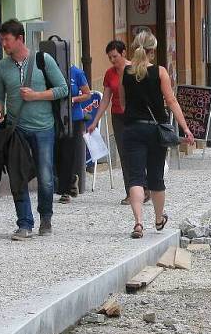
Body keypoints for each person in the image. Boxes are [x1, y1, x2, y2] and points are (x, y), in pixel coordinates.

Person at [0, 19, 68, 241]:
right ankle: (24, 223)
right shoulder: (2, 67)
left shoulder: (43, 60)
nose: (3, 44)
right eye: (2, 39)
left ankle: (46, 217)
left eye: (6, 39)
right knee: (18, 176)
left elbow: (63, 89)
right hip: (16, 129)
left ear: (20, 39)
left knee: (45, 177)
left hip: (44, 128)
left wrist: (36, 96)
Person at [119, 31, 194, 239]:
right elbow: (171, 101)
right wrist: (185, 128)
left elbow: (122, 102)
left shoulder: (125, 72)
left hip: (132, 129)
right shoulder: (160, 72)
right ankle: (159, 219)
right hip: (154, 130)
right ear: (153, 50)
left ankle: (138, 223)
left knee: (135, 178)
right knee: (155, 177)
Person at [88, 40, 150, 205]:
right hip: (119, 117)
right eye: (110, 57)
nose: (112, 60)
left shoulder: (136, 69)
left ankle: (144, 186)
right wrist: (95, 120)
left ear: (123, 53)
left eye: (115, 56)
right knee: (124, 154)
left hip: (136, 116)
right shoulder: (110, 73)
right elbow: (106, 98)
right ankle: (131, 192)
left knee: (139, 152)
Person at [56, 64, 91, 204]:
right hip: (56, 117)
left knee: (68, 152)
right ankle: (69, 180)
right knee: (58, 153)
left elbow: (87, 94)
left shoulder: (76, 72)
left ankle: (66, 189)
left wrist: (74, 99)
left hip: (73, 118)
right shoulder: (51, 71)